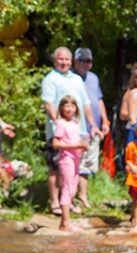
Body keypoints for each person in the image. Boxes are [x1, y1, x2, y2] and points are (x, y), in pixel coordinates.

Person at [41, 46, 96, 216]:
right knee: (56, 167)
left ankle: (69, 201)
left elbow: (85, 103)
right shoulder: (50, 79)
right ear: (54, 60)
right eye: (60, 59)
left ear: (71, 61)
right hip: (59, 132)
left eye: (66, 59)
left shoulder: (77, 79)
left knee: (74, 169)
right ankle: (55, 202)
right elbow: (48, 103)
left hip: (79, 130)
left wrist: (92, 124)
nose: (64, 62)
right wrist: (58, 122)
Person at [71, 48, 109, 211]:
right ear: (75, 61)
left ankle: (83, 195)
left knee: (88, 163)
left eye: (89, 61)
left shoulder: (93, 78)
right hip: (76, 128)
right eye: (83, 61)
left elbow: (98, 100)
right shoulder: (70, 78)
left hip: (94, 129)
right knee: (74, 164)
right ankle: (69, 198)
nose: (87, 64)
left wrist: (105, 120)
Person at [51, 96, 89, 232]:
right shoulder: (61, 123)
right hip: (66, 159)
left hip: (76, 159)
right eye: (66, 106)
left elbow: (75, 141)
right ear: (61, 108)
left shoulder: (75, 123)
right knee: (67, 189)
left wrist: (82, 147)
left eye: (72, 106)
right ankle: (66, 223)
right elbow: (55, 144)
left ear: (76, 109)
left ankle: (64, 223)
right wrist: (75, 145)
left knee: (72, 189)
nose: (69, 109)